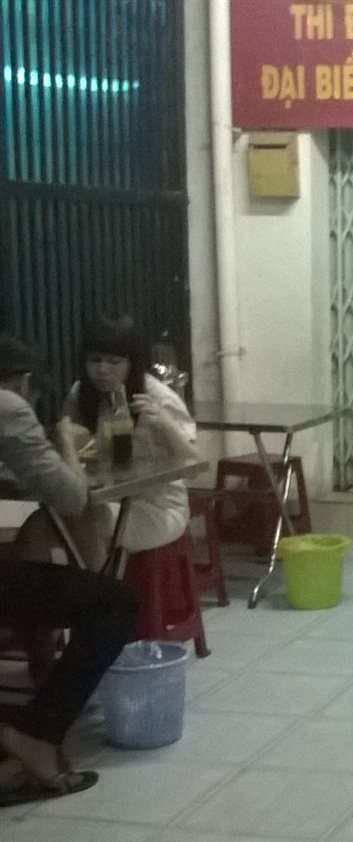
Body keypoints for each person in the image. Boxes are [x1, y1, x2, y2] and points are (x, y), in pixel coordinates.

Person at [0, 334, 137, 804]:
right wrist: (62, 440)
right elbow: (74, 497)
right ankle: (35, 733)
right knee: (116, 603)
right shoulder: (8, 406)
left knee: (30, 552)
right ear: (25, 382)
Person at [58, 316, 199, 570]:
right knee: (40, 525)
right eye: (94, 360)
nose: (102, 370)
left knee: (91, 522)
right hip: (104, 498)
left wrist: (165, 425)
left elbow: (193, 464)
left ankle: (99, 595)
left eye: (114, 362)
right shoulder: (81, 394)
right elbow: (74, 449)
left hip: (157, 505)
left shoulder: (158, 398)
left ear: (132, 363)